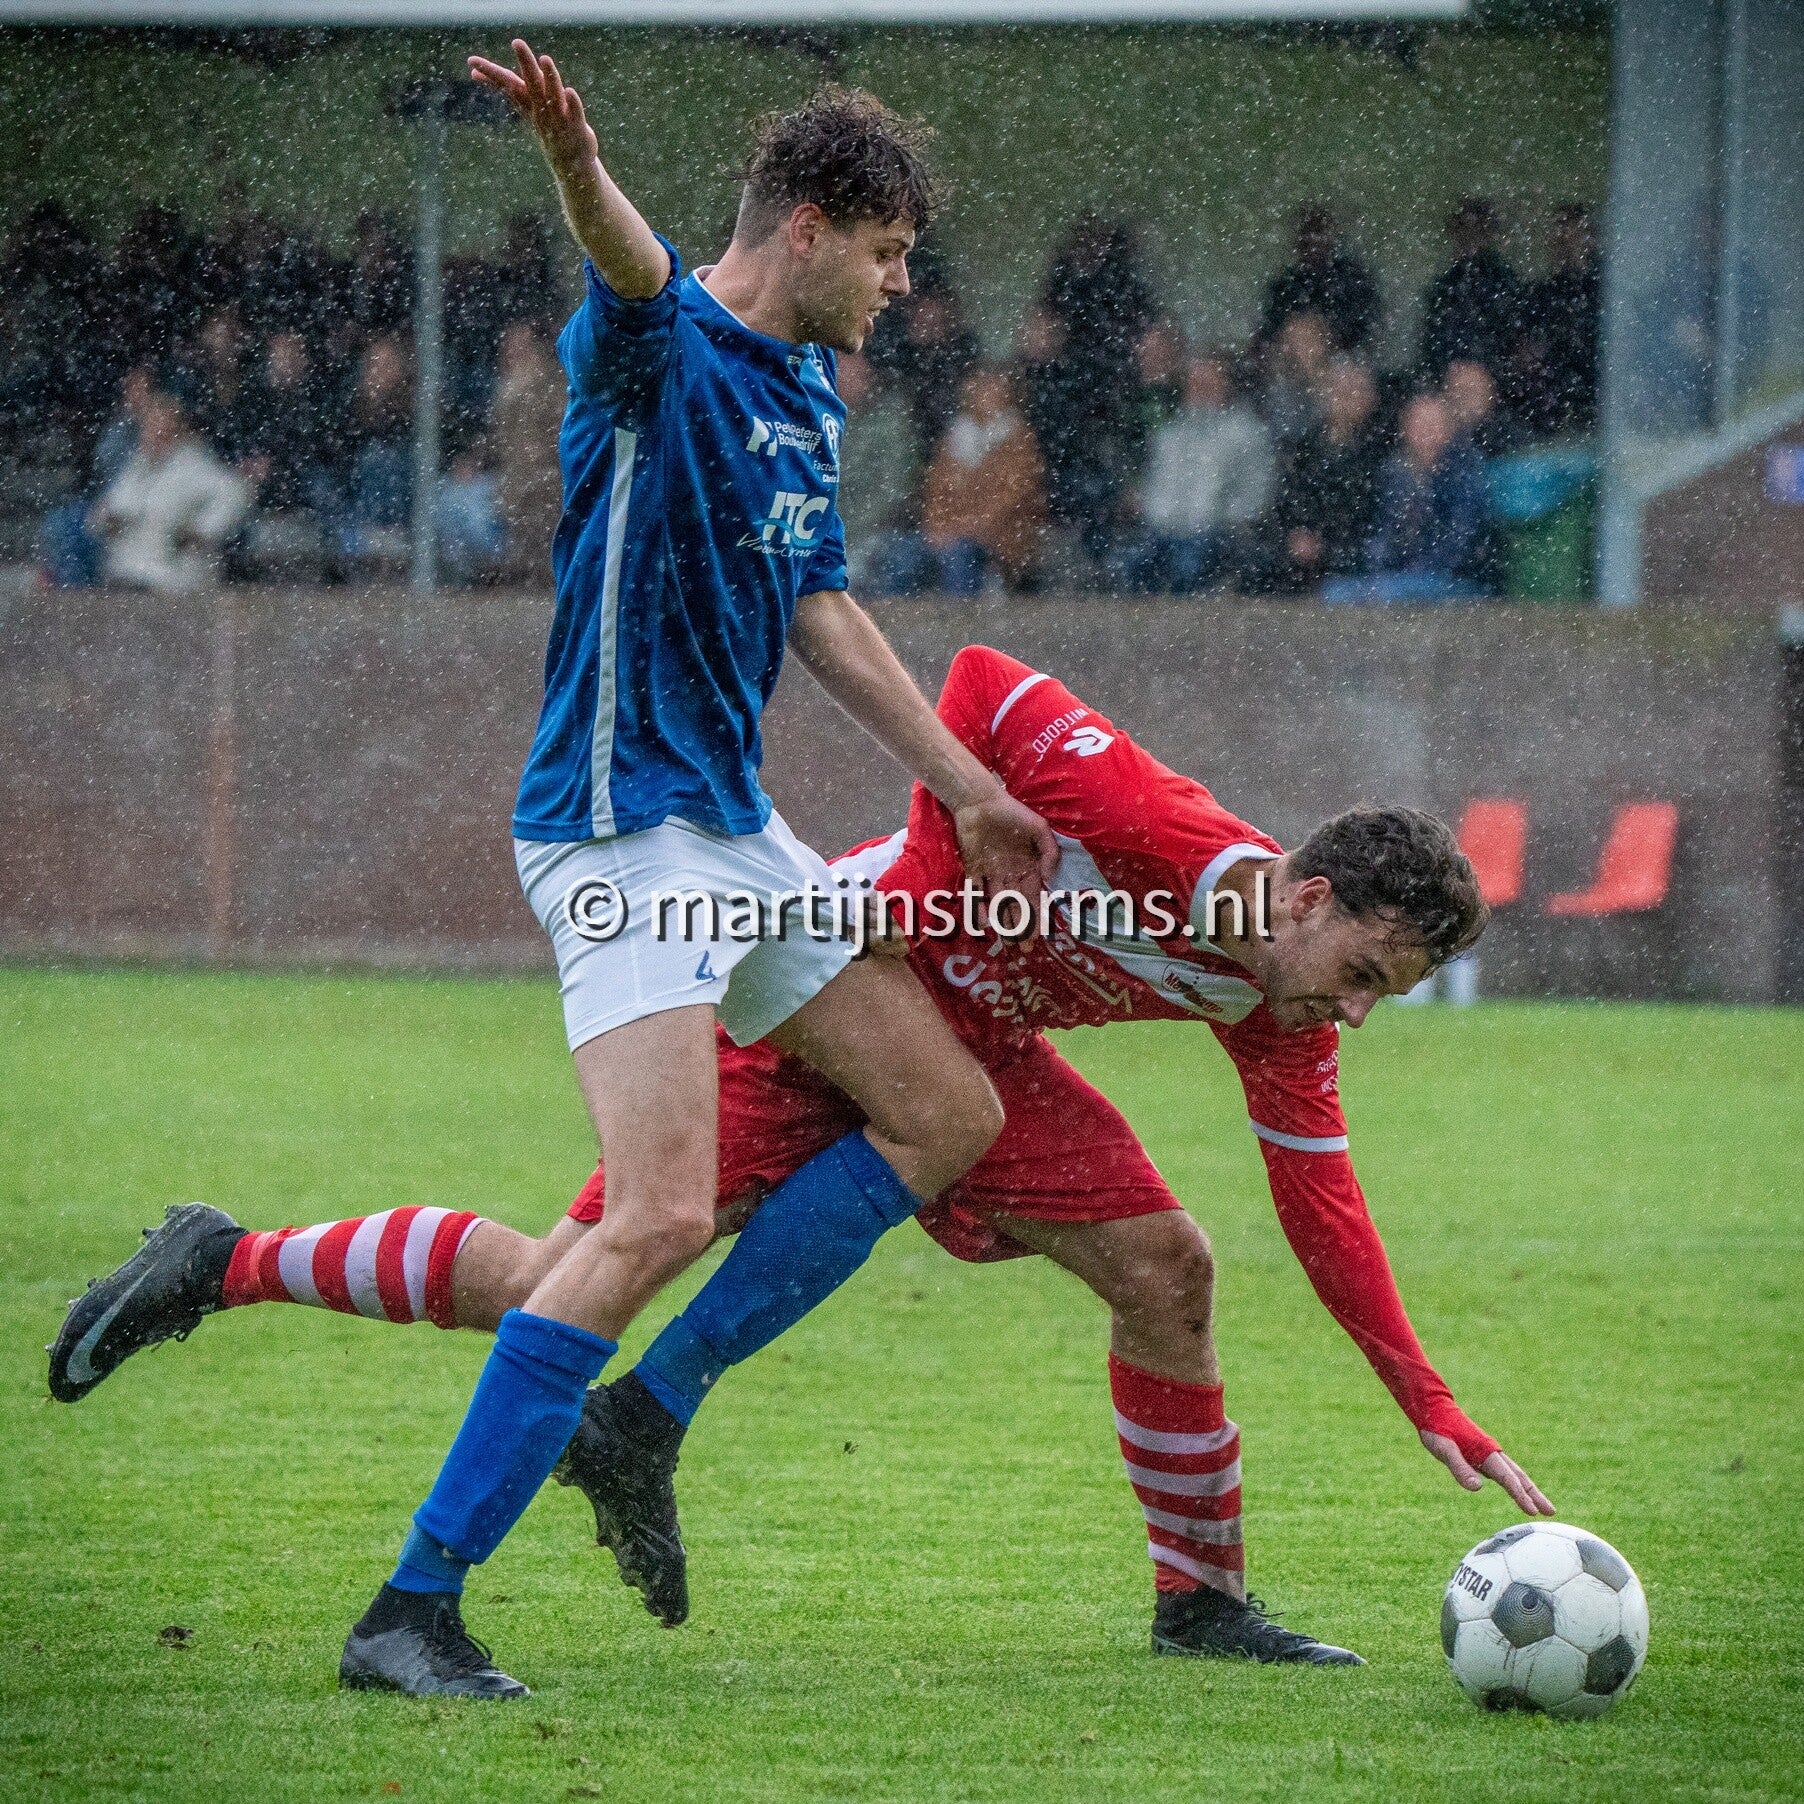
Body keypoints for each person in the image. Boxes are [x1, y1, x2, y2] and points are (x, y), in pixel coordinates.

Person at [50, 45, 1053, 1702]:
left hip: (729, 828)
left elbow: (816, 608)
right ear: (808, 229)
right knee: (653, 1214)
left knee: (944, 1111)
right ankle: (411, 1609)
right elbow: (634, 265)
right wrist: (574, 164)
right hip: (617, 827)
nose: (900, 286)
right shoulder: (663, 347)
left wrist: (966, 784)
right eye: (886, 253)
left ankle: (635, 1410)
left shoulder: (808, 394)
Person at [58, 648, 1554, 1670]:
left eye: (1383, 994)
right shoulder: (1157, 827)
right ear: (1307, 897)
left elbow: (1324, 1205)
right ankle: (230, 1262)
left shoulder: (1280, 1010)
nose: (1356, 1010)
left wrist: (1429, 1399)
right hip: (825, 996)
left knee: (1168, 1269)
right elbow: (983, 687)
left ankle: (1202, 1602)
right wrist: (949, 853)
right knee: (544, 1279)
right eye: (1362, 971)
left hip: (975, 1062)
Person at [1112, 352, 1273, 594]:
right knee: (1128, 567)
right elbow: (1157, 484)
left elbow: (1255, 493)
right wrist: (1150, 509)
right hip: (1162, 531)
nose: (1200, 389)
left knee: (1189, 569)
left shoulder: (1246, 433)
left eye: (1209, 381)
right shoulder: (1171, 432)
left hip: (1216, 532)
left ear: (1227, 385)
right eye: (1195, 382)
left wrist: (1225, 520)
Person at [1324, 392, 1489, 604]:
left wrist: (1416, 570)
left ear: (1450, 428)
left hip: (1454, 578)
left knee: (1387, 593)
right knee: (1334, 592)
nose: (1426, 430)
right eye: (1418, 422)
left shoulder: (1464, 472)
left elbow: (1460, 540)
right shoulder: (1393, 471)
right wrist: (1378, 567)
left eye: (1434, 423)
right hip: (1397, 577)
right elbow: (1382, 531)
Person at [1247, 355, 1385, 595]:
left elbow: (1370, 518)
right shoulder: (1304, 448)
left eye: (1353, 391)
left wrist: (1324, 545)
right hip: (1298, 554)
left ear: (1370, 398)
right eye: (1336, 389)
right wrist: (1295, 535)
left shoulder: (1379, 452)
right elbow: (1285, 504)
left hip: (1352, 558)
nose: (1342, 399)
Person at [903, 365, 1045, 594]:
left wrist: (963, 528)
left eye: (996, 389)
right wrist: (937, 528)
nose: (989, 395)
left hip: (998, 540)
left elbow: (1013, 499)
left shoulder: (1019, 441)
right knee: (902, 554)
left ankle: (960, 614)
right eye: (983, 388)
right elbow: (935, 491)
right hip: (951, 535)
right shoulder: (955, 438)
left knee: (960, 557)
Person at [89, 389, 248, 594]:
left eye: (162, 427)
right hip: (128, 573)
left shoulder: (193, 464)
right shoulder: (136, 467)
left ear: (176, 430)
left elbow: (235, 492)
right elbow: (110, 511)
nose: (156, 433)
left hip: (172, 579)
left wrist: (201, 531)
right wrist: (109, 520)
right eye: (150, 426)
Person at [1416, 198, 1526, 384]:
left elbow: (1510, 342)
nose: (1466, 237)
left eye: (1473, 229)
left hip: (1488, 379)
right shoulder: (1447, 284)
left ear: (1486, 233)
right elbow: (1434, 343)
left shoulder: (1499, 280)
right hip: (1451, 376)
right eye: (1461, 229)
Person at [1513, 203, 1600, 438]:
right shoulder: (1539, 295)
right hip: (1551, 410)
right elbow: (1526, 353)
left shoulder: (1607, 293)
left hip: (1598, 400)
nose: (1567, 245)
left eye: (1575, 237)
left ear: (1591, 241)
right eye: (1560, 238)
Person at [491, 319, 567, 586]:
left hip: (542, 484)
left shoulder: (552, 386)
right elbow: (498, 440)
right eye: (509, 346)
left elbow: (558, 432)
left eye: (521, 345)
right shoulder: (507, 386)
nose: (513, 352)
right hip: (513, 483)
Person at [1254, 205, 1379, 356]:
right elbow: (1267, 336)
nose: (1312, 241)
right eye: (1306, 235)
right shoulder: (1286, 286)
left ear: (1332, 238)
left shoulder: (1351, 280)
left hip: (1340, 359)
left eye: (1317, 233)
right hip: (1294, 359)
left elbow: (1365, 333)